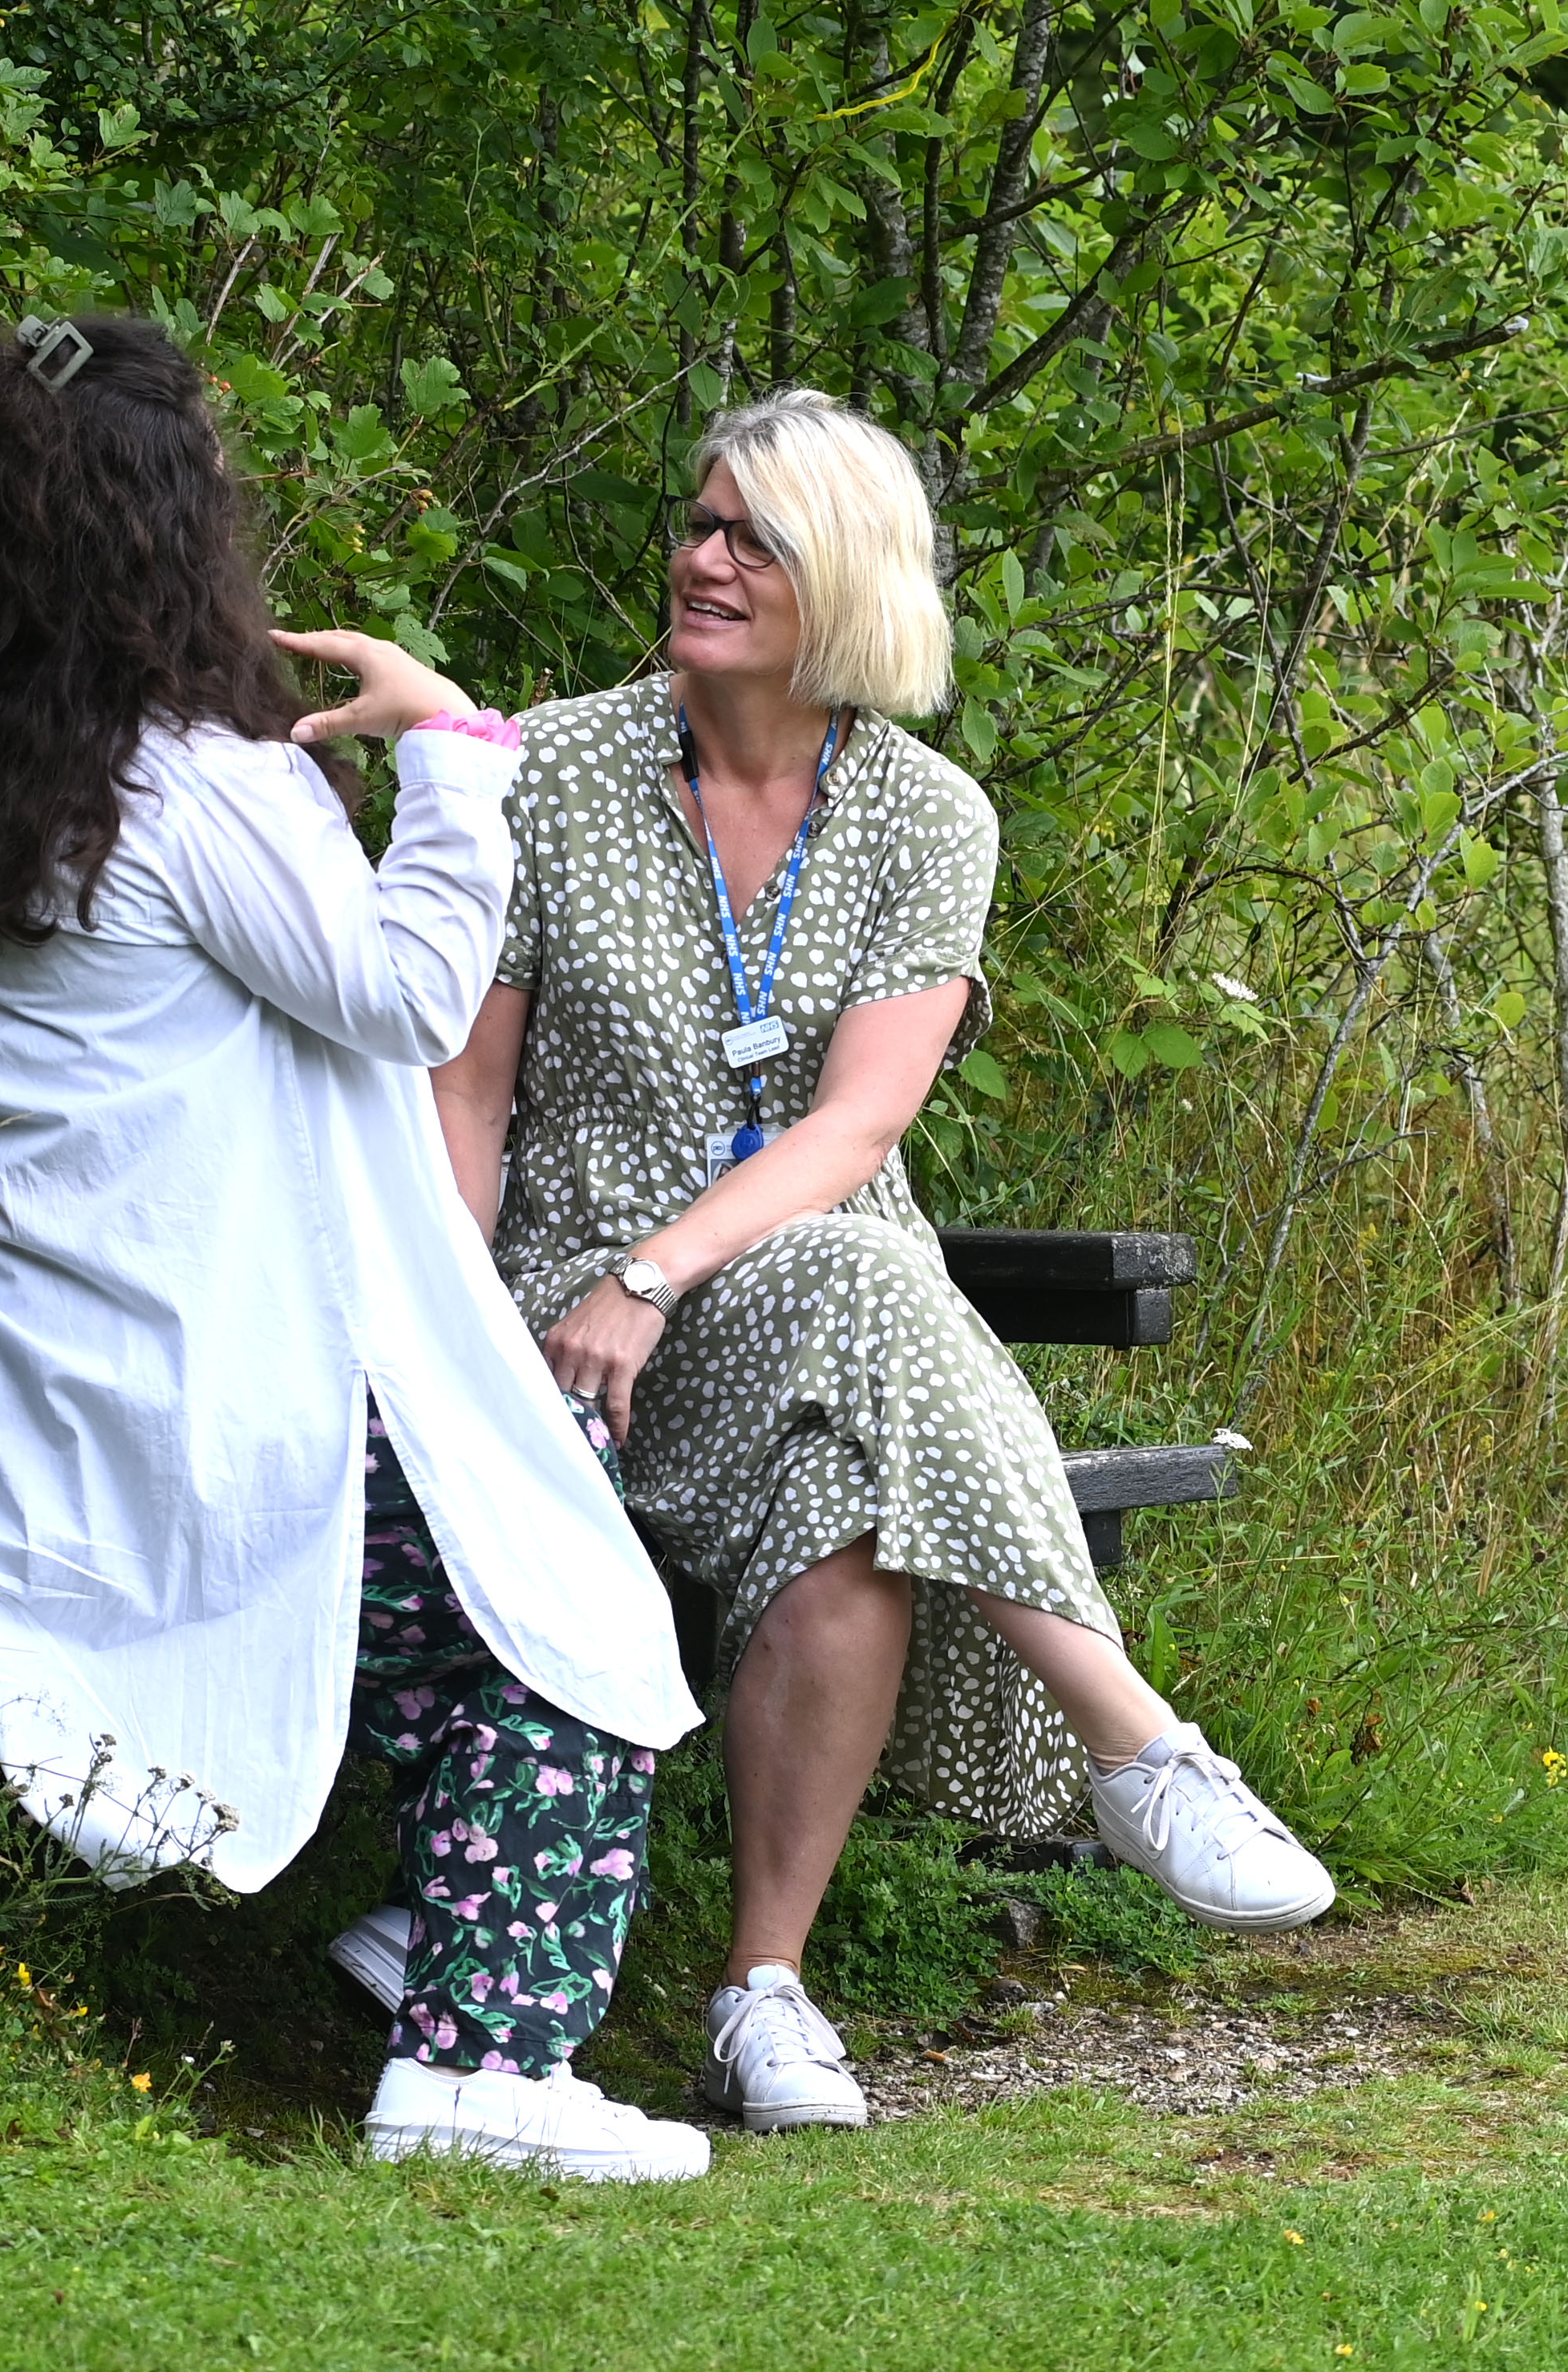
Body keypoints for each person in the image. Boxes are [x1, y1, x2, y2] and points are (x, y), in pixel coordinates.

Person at [376, 385, 1333, 2136]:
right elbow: (467, 1097)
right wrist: (464, 1346)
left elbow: (854, 1131)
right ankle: (1138, 1750)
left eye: (756, 538)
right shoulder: (558, 772)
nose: (703, 558)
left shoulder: (925, 814)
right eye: (700, 521)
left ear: (851, 580)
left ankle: (762, 1992)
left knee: (849, 1394)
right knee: (875, 1312)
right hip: (573, 1331)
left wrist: (663, 1271)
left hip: (768, 1300)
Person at [0, 313, 710, 2183]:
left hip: (42, 1375)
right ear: (178, 521)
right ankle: (477, 2060)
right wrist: (458, 749)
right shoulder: (196, 785)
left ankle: (451, 1937)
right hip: (202, 1385)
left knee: (529, 1486)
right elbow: (407, 1000)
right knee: (569, 1595)